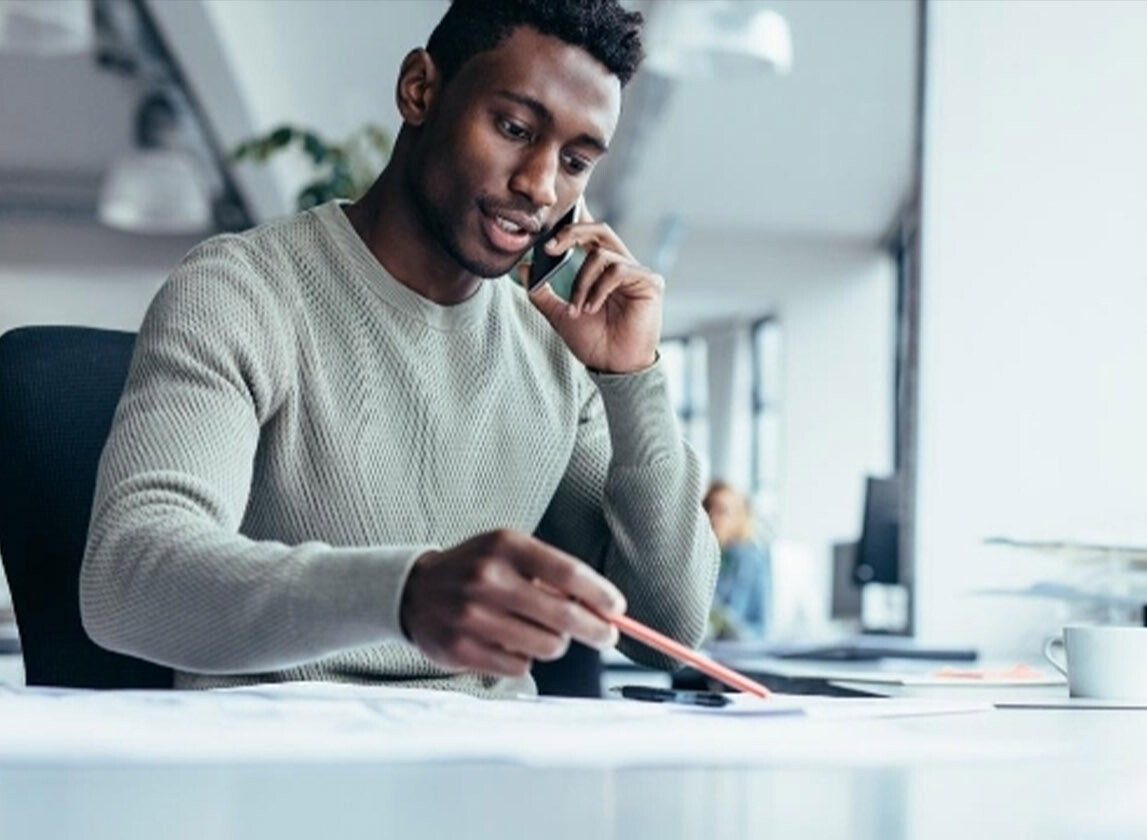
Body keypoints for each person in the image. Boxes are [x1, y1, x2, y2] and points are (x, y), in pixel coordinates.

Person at [79, 0, 718, 698]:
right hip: (282, 771)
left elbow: (668, 632)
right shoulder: (244, 291)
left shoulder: (552, 339)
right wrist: (401, 594)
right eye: (512, 128)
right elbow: (127, 579)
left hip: (493, 776)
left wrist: (630, 381)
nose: (539, 185)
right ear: (420, 89)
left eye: (574, 161)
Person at [702, 482, 769, 641]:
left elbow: (750, 625)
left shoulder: (749, 560)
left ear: (740, 518)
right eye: (708, 508)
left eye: (722, 511)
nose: (712, 517)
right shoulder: (703, 556)